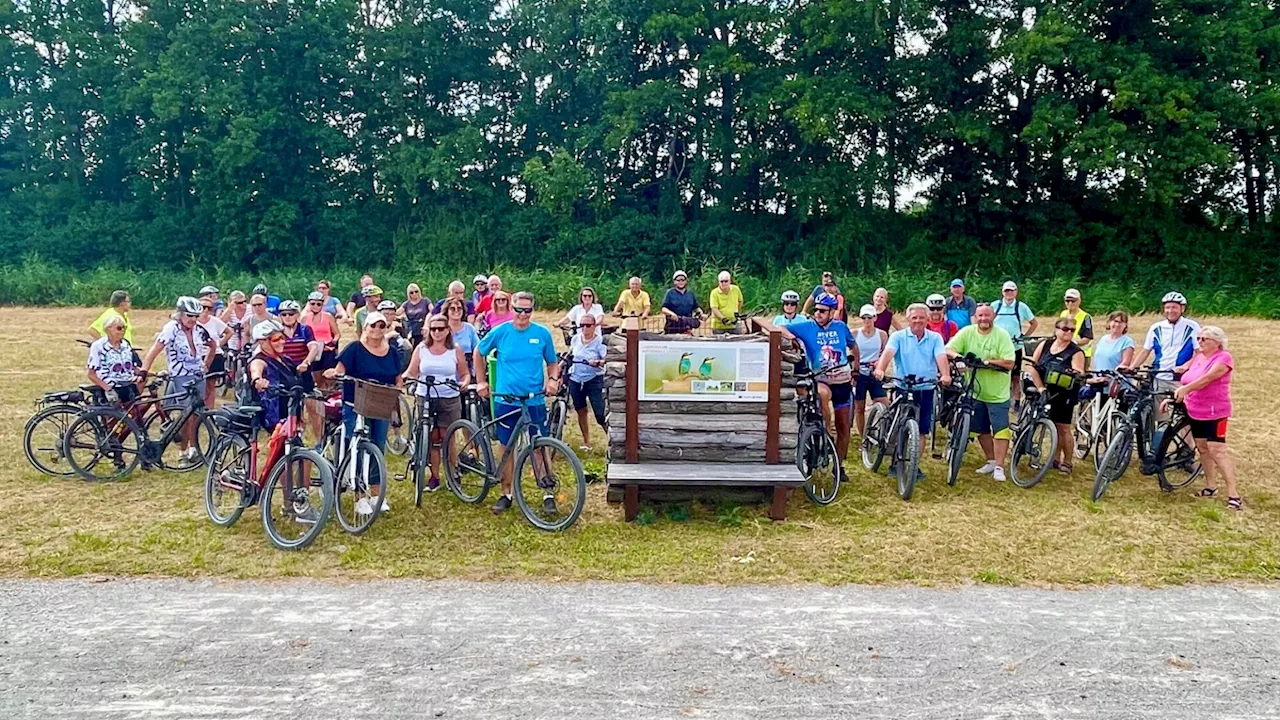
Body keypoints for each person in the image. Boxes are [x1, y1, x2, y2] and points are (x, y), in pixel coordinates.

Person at [473, 291, 560, 515]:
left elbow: (552, 362)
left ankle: (548, 492)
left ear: (532, 310)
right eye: (518, 310)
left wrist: (552, 380)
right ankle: (506, 493)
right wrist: (481, 381)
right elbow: (478, 352)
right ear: (512, 309)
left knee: (539, 447)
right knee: (506, 447)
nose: (522, 314)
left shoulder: (542, 334)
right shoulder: (500, 332)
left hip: (534, 400)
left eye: (527, 310)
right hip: (506, 399)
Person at [327, 311, 404, 514]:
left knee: (377, 446)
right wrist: (337, 374)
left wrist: (398, 387)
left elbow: (397, 377)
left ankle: (377, 494)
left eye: (381, 326)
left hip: (381, 403)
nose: (377, 330)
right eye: (373, 326)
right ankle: (359, 495)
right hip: (356, 403)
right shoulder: (355, 348)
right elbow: (340, 368)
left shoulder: (392, 351)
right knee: (357, 445)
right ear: (366, 328)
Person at [874, 303, 952, 478]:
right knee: (899, 423)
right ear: (908, 319)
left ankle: (913, 464)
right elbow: (888, 354)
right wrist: (880, 369)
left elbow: (941, 357)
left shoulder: (935, 338)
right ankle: (893, 456)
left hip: (926, 387)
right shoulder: (898, 337)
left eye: (922, 318)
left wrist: (945, 374)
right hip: (903, 386)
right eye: (914, 318)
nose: (918, 321)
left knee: (922, 429)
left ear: (927, 320)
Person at [779, 294, 857, 460]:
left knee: (844, 427)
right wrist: (792, 338)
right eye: (816, 310)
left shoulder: (841, 327)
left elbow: (853, 346)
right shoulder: (807, 326)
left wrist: (856, 368)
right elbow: (781, 327)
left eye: (822, 311)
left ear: (832, 312)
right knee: (822, 395)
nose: (818, 314)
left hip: (843, 381)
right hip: (821, 379)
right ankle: (826, 435)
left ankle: (839, 465)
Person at [946, 304, 1017, 482]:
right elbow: (948, 349)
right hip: (975, 390)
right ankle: (991, 460)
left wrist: (989, 362)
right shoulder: (967, 332)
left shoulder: (1002, 335)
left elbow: (1009, 362)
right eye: (980, 316)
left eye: (987, 315)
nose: (983, 319)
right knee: (980, 429)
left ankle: (1000, 467)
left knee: (1000, 430)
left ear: (993, 316)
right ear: (975, 317)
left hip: (997, 393)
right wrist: (959, 358)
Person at [140, 296, 216, 460]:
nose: (193, 319)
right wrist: (144, 369)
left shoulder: (198, 329)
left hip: (197, 375)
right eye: (189, 316)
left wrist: (206, 365)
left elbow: (212, 345)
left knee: (197, 413)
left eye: (196, 316)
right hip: (180, 376)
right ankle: (182, 451)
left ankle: (194, 448)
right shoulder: (171, 328)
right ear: (180, 314)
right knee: (185, 415)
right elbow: (156, 349)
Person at [1172, 326, 1239, 511]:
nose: (1200, 342)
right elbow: (1187, 378)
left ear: (1217, 342)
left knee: (1218, 450)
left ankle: (1233, 494)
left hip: (1215, 411)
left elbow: (1207, 379)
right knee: (1202, 448)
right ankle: (1211, 486)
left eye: (1204, 339)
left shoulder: (1224, 358)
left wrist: (1186, 389)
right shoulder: (1199, 358)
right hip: (1195, 410)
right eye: (1199, 338)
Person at [404, 314, 470, 493]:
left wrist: (464, 382)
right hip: (426, 396)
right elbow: (412, 371)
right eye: (433, 329)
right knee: (433, 438)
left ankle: (453, 472)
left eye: (441, 329)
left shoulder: (455, 350)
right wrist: (406, 380)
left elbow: (464, 373)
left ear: (447, 330)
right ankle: (434, 476)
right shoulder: (421, 349)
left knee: (449, 437)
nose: (437, 332)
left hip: (449, 397)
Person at [1026, 318, 1087, 474]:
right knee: (1049, 424)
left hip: (1063, 392)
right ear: (1056, 329)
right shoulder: (1045, 344)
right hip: (1044, 388)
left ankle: (1067, 461)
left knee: (1063, 428)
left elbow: (1079, 371)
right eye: (1065, 329)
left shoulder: (1075, 352)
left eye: (1072, 330)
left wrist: (1072, 373)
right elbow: (1033, 364)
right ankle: (1054, 458)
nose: (1068, 332)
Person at [1133, 291, 1200, 392]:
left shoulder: (1192, 327)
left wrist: (1186, 366)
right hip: (1159, 377)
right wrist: (1132, 367)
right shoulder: (1156, 328)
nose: (1170, 311)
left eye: (1174, 307)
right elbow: (1145, 351)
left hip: (1181, 379)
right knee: (1156, 406)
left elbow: (1200, 353)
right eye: (1167, 307)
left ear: (1182, 309)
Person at [992, 281, 1037, 404]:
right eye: (1007, 291)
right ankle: (999, 398)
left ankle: (1016, 401)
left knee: (1016, 376)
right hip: (997, 347)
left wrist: (1025, 336)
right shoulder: (995, 306)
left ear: (1016, 292)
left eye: (1011, 290)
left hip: (1015, 347)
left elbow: (1034, 323)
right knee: (997, 374)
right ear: (1002, 292)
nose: (1009, 293)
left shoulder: (1021, 307)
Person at [567, 314, 607, 451]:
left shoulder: (600, 341)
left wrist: (597, 362)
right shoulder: (575, 339)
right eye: (582, 325)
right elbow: (571, 353)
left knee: (600, 413)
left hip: (594, 379)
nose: (585, 328)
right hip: (576, 378)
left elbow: (606, 360)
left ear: (594, 326)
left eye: (588, 325)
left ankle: (612, 439)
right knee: (580, 410)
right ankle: (587, 441)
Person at [1081, 311, 1136, 404]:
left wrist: (1115, 372)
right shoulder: (1103, 339)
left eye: (1121, 322)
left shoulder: (1127, 342)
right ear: (1109, 322)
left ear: (1125, 325)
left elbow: (1125, 363)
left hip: (1117, 385)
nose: (1117, 324)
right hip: (1100, 382)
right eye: (1115, 321)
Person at [86, 314, 140, 406]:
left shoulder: (125, 345)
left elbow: (133, 368)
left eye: (124, 328)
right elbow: (91, 374)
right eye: (119, 328)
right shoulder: (98, 346)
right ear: (108, 329)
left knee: (137, 415)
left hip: (128, 385)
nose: (122, 331)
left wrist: (153, 374)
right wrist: (108, 389)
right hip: (110, 388)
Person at [852, 304, 889, 437]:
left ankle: (882, 433)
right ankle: (863, 436)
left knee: (884, 405)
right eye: (864, 318)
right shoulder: (855, 334)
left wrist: (880, 366)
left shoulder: (882, 335)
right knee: (859, 408)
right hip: (859, 373)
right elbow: (850, 353)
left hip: (874, 372)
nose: (867, 321)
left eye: (869, 317)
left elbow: (886, 354)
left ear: (875, 318)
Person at [301, 291, 340, 387]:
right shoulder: (305, 318)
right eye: (313, 304)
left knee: (330, 377)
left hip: (327, 349)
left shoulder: (328, 316)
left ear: (322, 304)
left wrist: (333, 342)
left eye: (318, 304)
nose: (315, 306)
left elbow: (337, 333)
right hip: (314, 350)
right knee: (317, 377)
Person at [198, 294, 231, 406]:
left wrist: (219, 345)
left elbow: (229, 332)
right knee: (198, 386)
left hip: (215, 355)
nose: (206, 310)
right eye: (203, 307)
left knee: (210, 386)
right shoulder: (193, 321)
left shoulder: (215, 321)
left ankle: (209, 410)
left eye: (209, 308)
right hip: (198, 355)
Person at [441, 297, 480, 372]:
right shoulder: (440, 329)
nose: (456, 311)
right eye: (452, 308)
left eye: (459, 308)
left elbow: (477, 350)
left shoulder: (469, 328)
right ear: (447, 311)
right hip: (446, 370)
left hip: (467, 370)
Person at [1059, 288, 1094, 356]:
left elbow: (1087, 338)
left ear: (1079, 301)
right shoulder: (1063, 314)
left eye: (1073, 301)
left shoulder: (1086, 317)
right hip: (1066, 352)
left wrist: (1073, 342)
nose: (1070, 303)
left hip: (1081, 353)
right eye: (1067, 301)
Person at [219, 290, 250, 358]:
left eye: (245, 301)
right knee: (233, 354)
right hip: (233, 335)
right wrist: (229, 309)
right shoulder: (230, 311)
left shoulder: (250, 309)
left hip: (248, 335)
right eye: (240, 302)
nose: (244, 304)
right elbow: (220, 323)